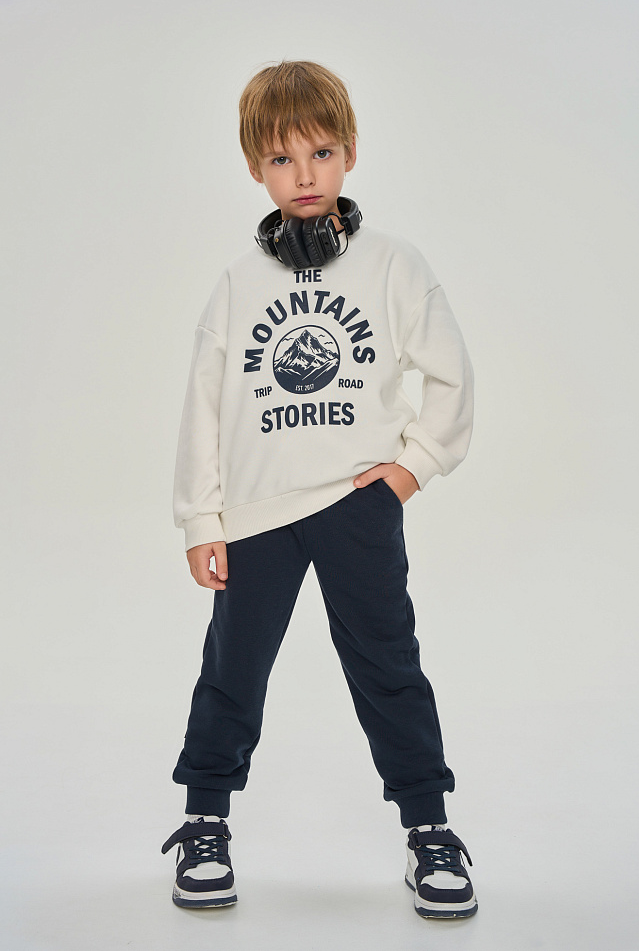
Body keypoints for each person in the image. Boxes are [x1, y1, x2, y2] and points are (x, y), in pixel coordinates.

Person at [160, 60, 477, 920]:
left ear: (349, 153)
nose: (303, 175)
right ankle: (204, 822)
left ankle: (429, 829)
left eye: (321, 153)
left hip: (355, 505)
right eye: (281, 159)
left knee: (388, 665)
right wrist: (200, 518)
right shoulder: (237, 283)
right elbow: (202, 406)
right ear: (254, 168)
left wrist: (410, 469)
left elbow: (451, 377)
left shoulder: (393, 265)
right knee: (232, 669)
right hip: (257, 516)